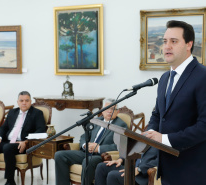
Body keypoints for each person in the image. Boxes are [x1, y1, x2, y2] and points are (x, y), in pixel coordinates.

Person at [142, 20, 206, 185]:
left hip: (193, 170)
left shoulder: (202, 76)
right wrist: (148, 134)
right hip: (167, 168)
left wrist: (165, 139)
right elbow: (158, 114)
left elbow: (204, 126)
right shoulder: (164, 78)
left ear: (189, 44)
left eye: (174, 41)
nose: (167, 46)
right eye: (164, 41)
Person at [54, 99, 128, 185]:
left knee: (88, 161)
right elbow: (83, 136)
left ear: (117, 111)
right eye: (107, 108)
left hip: (102, 156)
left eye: (113, 109)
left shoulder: (121, 125)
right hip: (87, 152)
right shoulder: (97, 120)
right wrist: (85, 145)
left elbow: (122, 146)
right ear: (102, 110)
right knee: (59, 155)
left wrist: (99, 148)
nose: (109, 111)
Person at [0, 91, 46, 185]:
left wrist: (26, 141)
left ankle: (10, 181)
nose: (24, 103)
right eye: (21, 100)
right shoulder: (12, 112)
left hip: (22, 143)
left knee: (8, 148)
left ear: (30, 101)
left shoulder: (37, 113)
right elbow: (4, 127)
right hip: (7, 141)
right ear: (18, 102)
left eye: (27, 100)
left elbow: (40, 130)